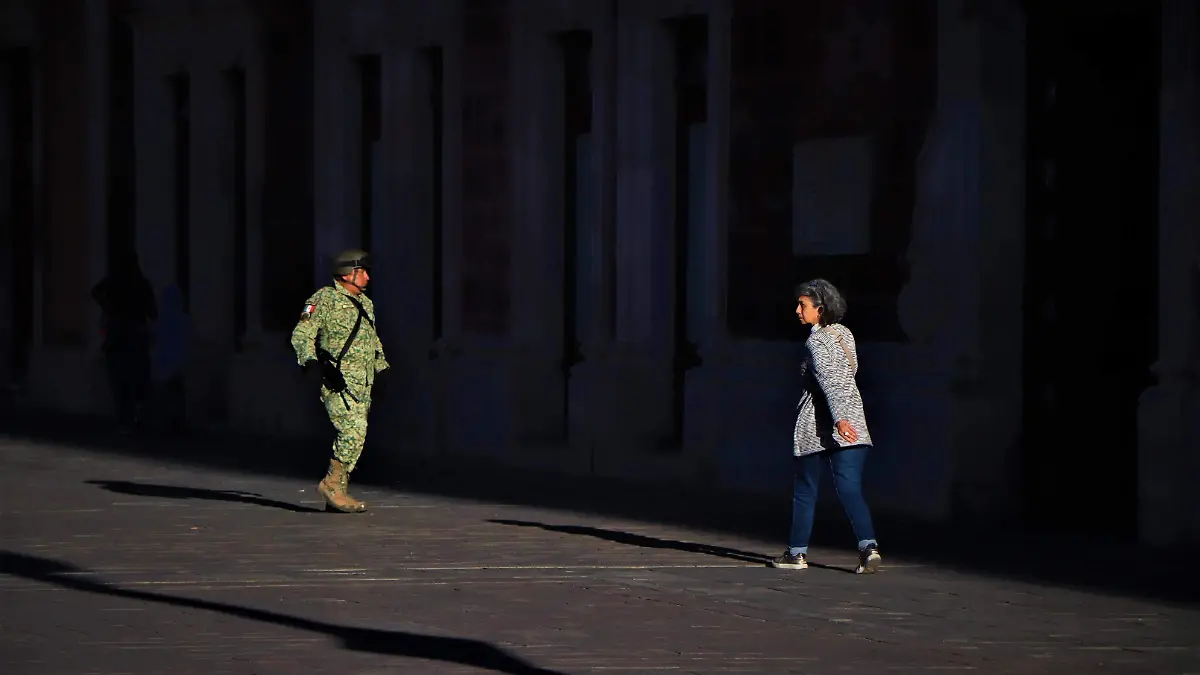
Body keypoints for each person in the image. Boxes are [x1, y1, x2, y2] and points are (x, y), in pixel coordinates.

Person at [770, 278, 882, 574]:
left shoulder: (817, 340)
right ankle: (868, 547)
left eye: (803, 305)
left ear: (820, 309)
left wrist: (839, 417)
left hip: (820, 424)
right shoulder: (845, 335)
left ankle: (796, 554)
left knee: (806, 489)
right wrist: (847, 415)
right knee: (849, 487)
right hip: (855, 421)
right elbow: (847, 376)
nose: (797, 310)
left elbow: (830, 379)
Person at [290, 249, 389, 513]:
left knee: (359, 434)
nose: (367, 277)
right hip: (337, 379)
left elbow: (371, 340)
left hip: (363, 382)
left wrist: (382, 368)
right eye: (362, 272)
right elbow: (302, 333)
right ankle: (331, 484)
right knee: (352, 432)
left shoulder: (365, 304)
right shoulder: (324, 299)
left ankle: (338, 491)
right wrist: (311, 364)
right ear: (348, 274)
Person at [91, 250, 158, 435]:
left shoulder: (114, 282)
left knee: (119, 380)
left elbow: (95, 291)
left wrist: (109, 308)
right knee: (137, 379)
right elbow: (153, 312)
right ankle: (137, 418)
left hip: (118, 336)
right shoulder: (142, 284)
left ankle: (125, 421)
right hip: (135, 335)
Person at [151, 284, 190, 433]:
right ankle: (177, 422)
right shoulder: (183, 319)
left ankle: (167, 423)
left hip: (164, 365)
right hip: (178, 364)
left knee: (165, 396)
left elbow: (154, 337)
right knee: (177, 395)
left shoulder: (161, 320)